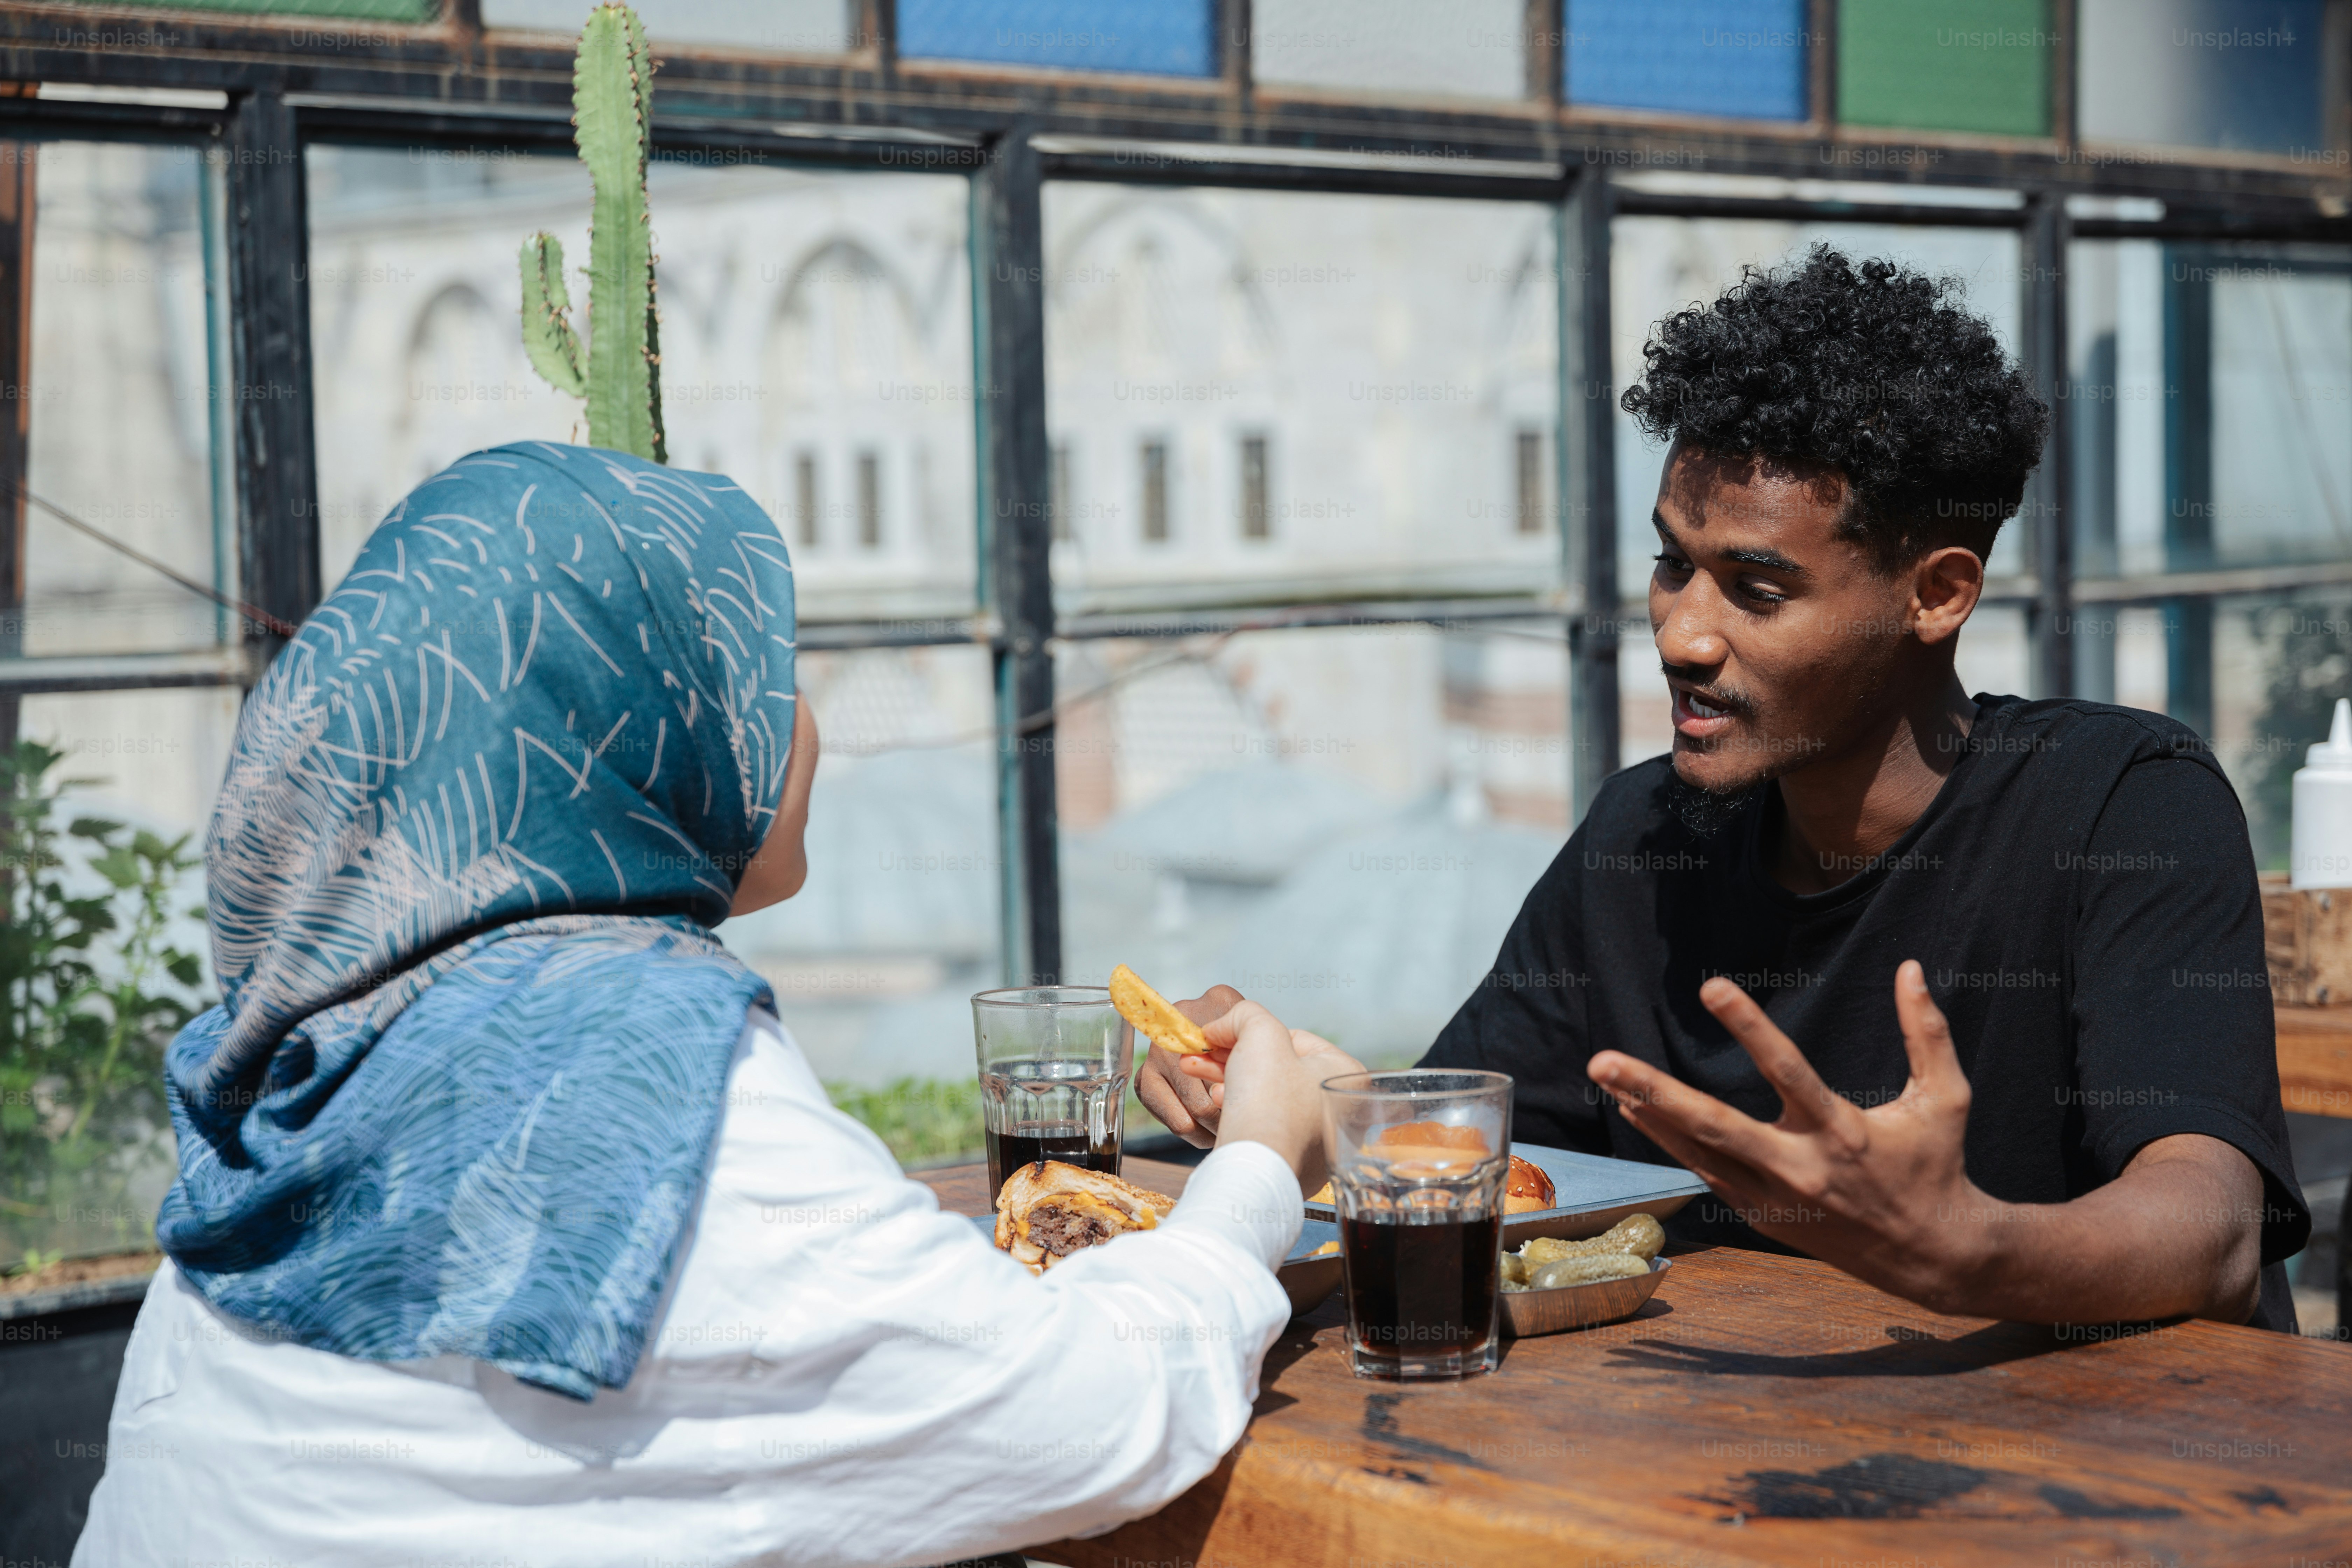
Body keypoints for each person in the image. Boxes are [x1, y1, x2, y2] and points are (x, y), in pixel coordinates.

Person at [74, 443, 1336, 1568]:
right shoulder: (635, 1065)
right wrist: (1264, 1161)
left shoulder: (306, 1052)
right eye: (752, 670)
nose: (806, 724)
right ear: (611, 722)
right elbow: (1082, 1421)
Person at [1141, 246, 2311, 1332]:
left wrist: (1963, 1249)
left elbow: (2214, 1227)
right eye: (1670, 565)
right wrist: (1302, 1092)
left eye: (1756, 589)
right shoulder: (1642, 841)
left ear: (1939, 594)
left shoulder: (2123, 807)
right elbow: (1494, 1162)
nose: (1682, 635)